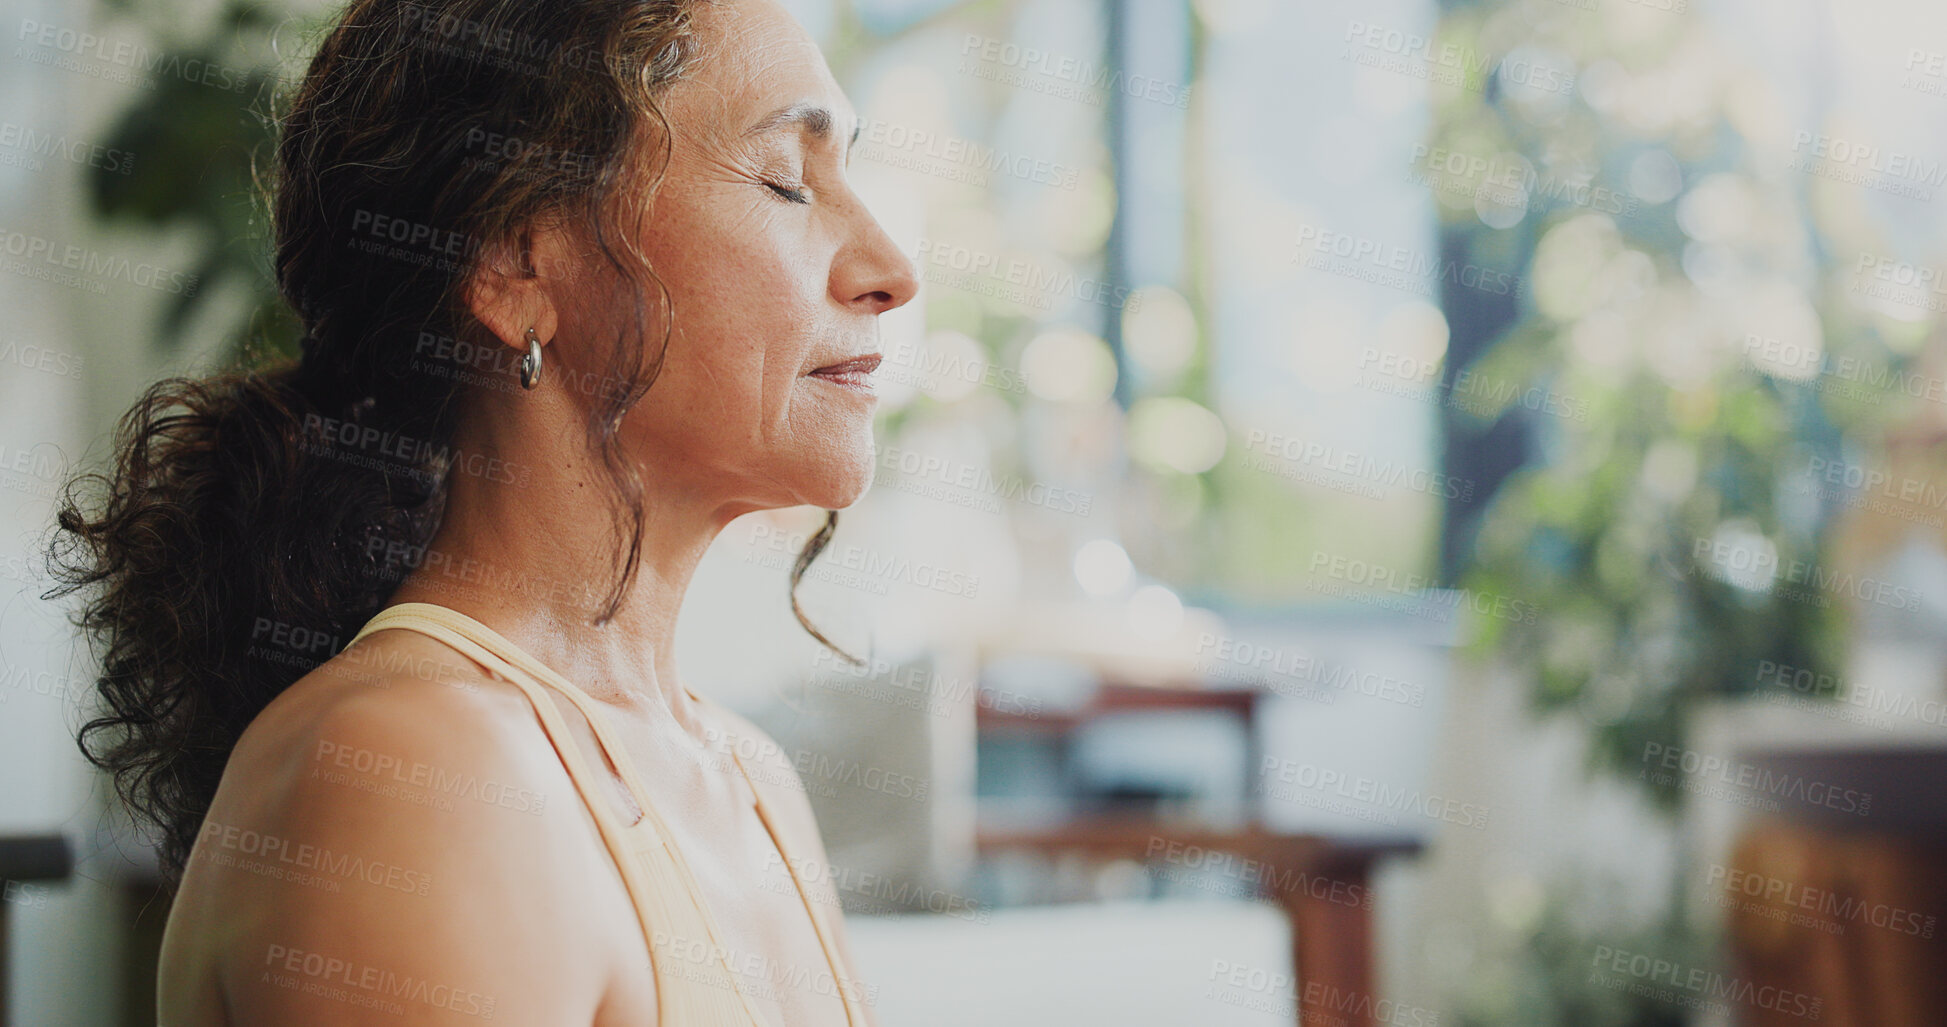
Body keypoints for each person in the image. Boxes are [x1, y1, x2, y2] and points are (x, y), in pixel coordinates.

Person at [49, 0, 918, 1022]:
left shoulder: (752, 779)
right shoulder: (419, 771)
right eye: (784, 179)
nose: (890, 270)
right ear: (516, 265)